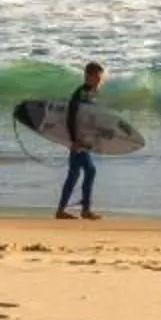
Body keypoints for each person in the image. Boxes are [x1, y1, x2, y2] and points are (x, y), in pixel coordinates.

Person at [57, 60, 105, 219]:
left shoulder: (90, 93)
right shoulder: (81, 93)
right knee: (88, 171)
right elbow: (71, 117)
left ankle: (65, 209)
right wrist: (74, 140)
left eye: (101, 78)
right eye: (97, 78)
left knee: (76, 174)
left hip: (84, 140)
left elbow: (89, 118)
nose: (100, 81)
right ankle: (83, 209)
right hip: (78, 141)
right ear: (88, 76)